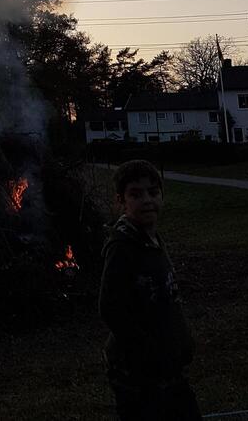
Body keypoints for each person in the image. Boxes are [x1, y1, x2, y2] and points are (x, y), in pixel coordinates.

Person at [99, 159, 202, 421]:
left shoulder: (153, 239)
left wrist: (182, 340)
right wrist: (149, 354)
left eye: (153, 192)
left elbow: (166, 299)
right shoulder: (122, 246)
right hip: (138, 376)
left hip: (169, 370)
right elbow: (111, 308)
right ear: (121, 201)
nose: (147, 200)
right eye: (136, 194)